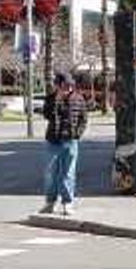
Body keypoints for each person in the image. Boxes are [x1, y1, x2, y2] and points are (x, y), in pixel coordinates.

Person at [40, 72, 88, 216]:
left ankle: (67, 202)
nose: (68, 88)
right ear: (58, 86)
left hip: (70, 140)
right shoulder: (51, 98)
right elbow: (47, 115)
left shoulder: (78, 98)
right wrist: (56, 99)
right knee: (51, 173)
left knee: (68, 173)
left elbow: (83, 119)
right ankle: (50, 202)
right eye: (65, 85)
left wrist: (77, 134)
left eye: (70, 85)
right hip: (53, 140)